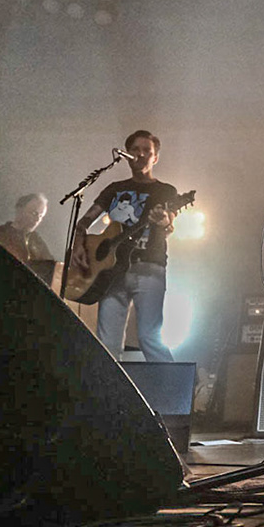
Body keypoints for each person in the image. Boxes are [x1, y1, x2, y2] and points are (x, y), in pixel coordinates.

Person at [71, 131, 183, 362]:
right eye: (135, 150)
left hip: (149, 268)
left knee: (149, 337)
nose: (140, 154)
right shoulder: (114, 189)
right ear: (127, 154)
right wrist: (78, 245)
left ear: (155, 158)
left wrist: (163, 219)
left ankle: (170, 390)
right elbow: (83, 222)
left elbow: (169, 222)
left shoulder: (166, 191)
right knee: (107, 343)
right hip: (111, 272)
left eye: (147, 151)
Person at [0, 192, 53, 277]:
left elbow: (51, 269)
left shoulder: (38, 242)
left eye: (41, 216)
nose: (37, 220)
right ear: (20, 210)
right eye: (34, 213)